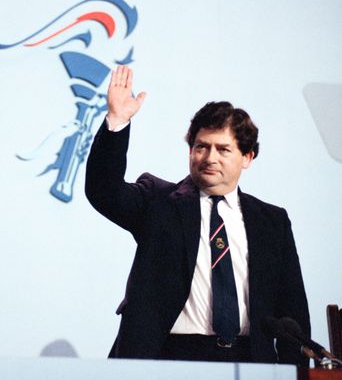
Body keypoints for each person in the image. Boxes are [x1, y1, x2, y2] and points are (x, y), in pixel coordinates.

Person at [85, 65, 310, 364]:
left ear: (247, 157)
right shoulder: (158, 201)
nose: (209, 158)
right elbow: (103, 190)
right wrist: (117, 120)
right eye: (201, 147)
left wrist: (295, 371)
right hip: (169, 357)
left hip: (250, 361)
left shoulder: (272, 221)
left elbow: (291, 311)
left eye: (223, 149)